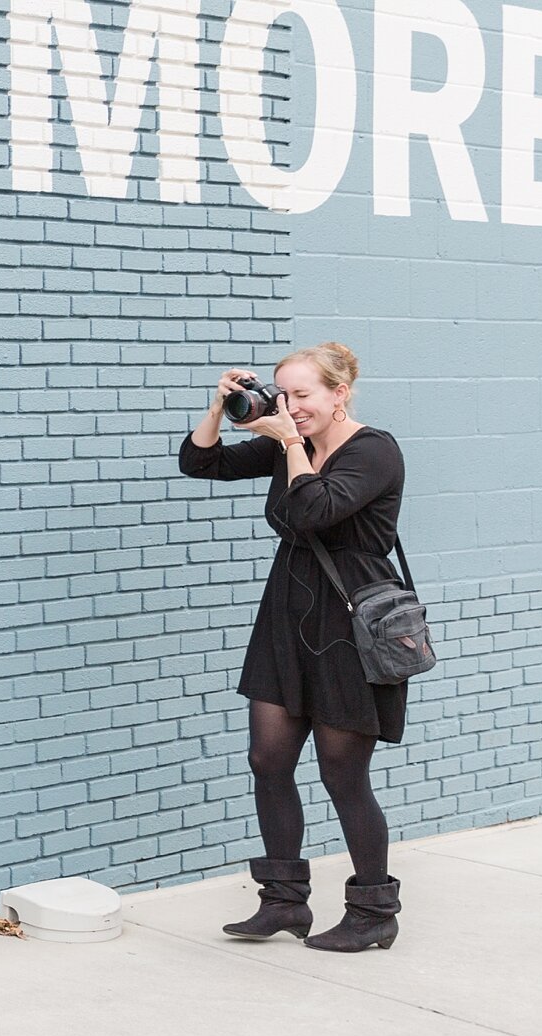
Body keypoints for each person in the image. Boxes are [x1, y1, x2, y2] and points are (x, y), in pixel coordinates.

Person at [178, 343, 411, 953]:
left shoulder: (374, 451)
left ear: (340, 394)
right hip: (287, 611)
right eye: (283, 395)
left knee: (342, 773)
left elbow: (312, 509)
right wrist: (220, 408)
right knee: (268, 760)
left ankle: (373, 912)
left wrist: (286, 442)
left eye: (303, 394)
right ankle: (283, 902)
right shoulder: (291, 438)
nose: (291, 407)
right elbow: (200, 465)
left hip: (352, 619)